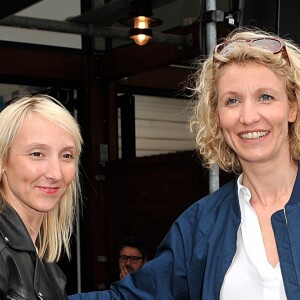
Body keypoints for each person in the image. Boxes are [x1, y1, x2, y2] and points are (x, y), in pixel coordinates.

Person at [69, 26, 300, 299]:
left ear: (293, 107)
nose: (248, 117)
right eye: (232, 100)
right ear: (217, 117)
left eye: (265, 97)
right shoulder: (200, 224)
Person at [0, 95, 82, 299]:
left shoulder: (44, 259)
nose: (55, 173)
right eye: (37, 154)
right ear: (2, 160)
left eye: (66, 156)